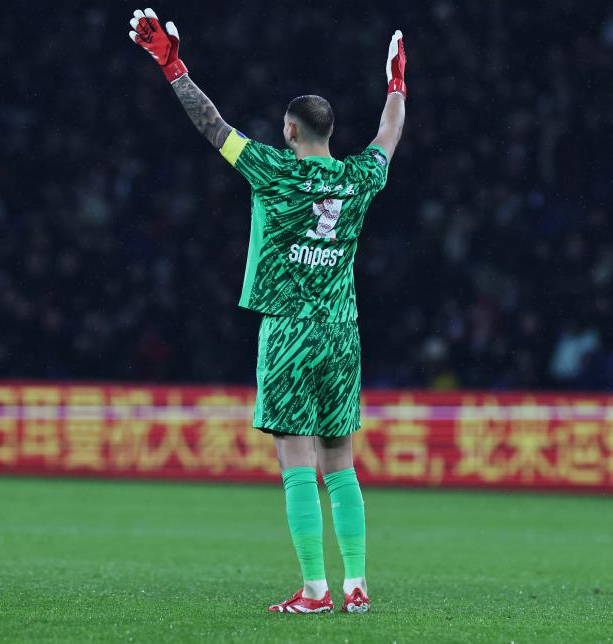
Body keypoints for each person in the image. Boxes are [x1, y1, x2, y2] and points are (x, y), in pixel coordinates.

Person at [128, 8, 406, 614]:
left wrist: (173, 67)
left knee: (296, 460)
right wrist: (396, 85)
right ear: (329, 131)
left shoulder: (273, 170)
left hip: (289, 328)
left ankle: (315, 590)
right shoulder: (359, 178)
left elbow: (212, 124)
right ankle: (357, 585)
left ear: (290, 130)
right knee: (341, 461)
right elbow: (388, 136)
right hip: (342, 331)